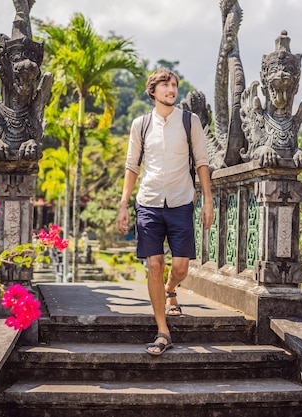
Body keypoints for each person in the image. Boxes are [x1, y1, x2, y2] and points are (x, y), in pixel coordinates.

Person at [117, 69, 214, 356]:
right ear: (153, 91)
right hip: (148, 202)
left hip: (181, 201)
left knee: (181, 266)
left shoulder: (189, 121)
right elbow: (132, 166)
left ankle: (172, 288)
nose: (171, 89)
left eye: (174, 85)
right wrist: (124, 205)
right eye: (165, 85)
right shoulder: (141, 124)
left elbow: (202, 162)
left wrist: (207, 200)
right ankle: (162, 331)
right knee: (155, 264)